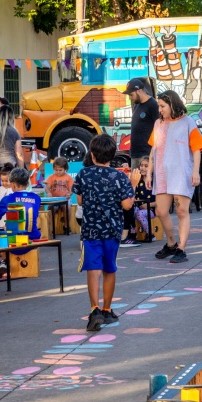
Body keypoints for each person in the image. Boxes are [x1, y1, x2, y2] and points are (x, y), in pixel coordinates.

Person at [72, 134, 135, 331]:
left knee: (93, 269)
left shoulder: (83, 174)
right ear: (113, 155)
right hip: (112, 230)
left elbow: (80, 201)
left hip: (90, 229)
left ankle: (94, 309)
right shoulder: (119, 176)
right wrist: (133, 184)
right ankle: (107, 309)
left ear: (92, 154)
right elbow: (127, 205)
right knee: (110, 268)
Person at [146, 90, 202, 264]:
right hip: (162, 173)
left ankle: (182, 248)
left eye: (163, 106)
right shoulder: (158, 123)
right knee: (161, 211)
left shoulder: (188, 122)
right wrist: (149, 172)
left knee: (181, 211)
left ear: (172, 104)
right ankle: (171, 243)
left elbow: (196, 149)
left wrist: (195, 172)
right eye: (159, 106)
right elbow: (153, 149)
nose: (160, 109)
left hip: (181, 173)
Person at [0, 167, 42, 279]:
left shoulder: (8, 198)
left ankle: (4, 261)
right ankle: (4, 262)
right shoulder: (36, 198)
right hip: (33, 238)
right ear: (27, 183)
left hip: (14, 243)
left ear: (13, 185)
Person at [123, 78, 159, 170]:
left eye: (131, 95)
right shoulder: (137, 105)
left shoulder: (153, 105)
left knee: (147, 182)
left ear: (139, 91)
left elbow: (159, 128)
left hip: (146, 154)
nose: (130, 98)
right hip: (135, 153)